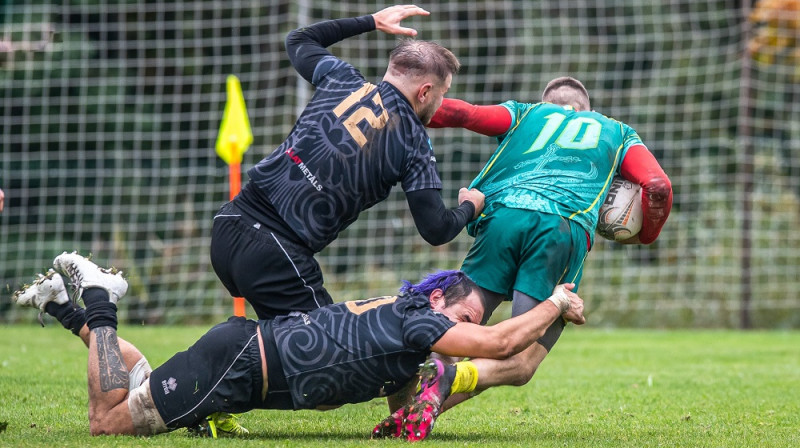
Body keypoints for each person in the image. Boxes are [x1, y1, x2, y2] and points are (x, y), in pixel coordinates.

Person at [375, 76, 673, 440]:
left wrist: (386, 108)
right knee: (522, 359)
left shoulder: (526, 113)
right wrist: (645, 235)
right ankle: (451, 379)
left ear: (547, 103)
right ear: (588, 110)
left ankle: (406, 411)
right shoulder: (619, 132)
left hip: (501, 219)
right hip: (560, 228)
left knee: (456, 325)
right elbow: (658, 187)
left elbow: (463, 114)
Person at [11, 252, 585, 437]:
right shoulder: (421, 323)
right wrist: (555, 303)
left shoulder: (409, 332)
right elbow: (502, 342)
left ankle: (62, 306)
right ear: (439, 304)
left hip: (239, 362)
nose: (461, 337)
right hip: (237, 366)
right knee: (107, 421)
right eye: (463, 318)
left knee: (141, 379)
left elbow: (406, 414)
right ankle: (101, 294)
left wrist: (420, 407)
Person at [210, 5, 485, 321]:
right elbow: (436, 229)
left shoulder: (341, 78)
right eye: (441, 94)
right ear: (425, 92)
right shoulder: (413, 141)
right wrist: (470, 207)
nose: (438, 105)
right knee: (327, 352)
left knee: (279, 348)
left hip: (228, 224)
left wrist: (371, 21)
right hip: (275, 252)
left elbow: (299, 39)